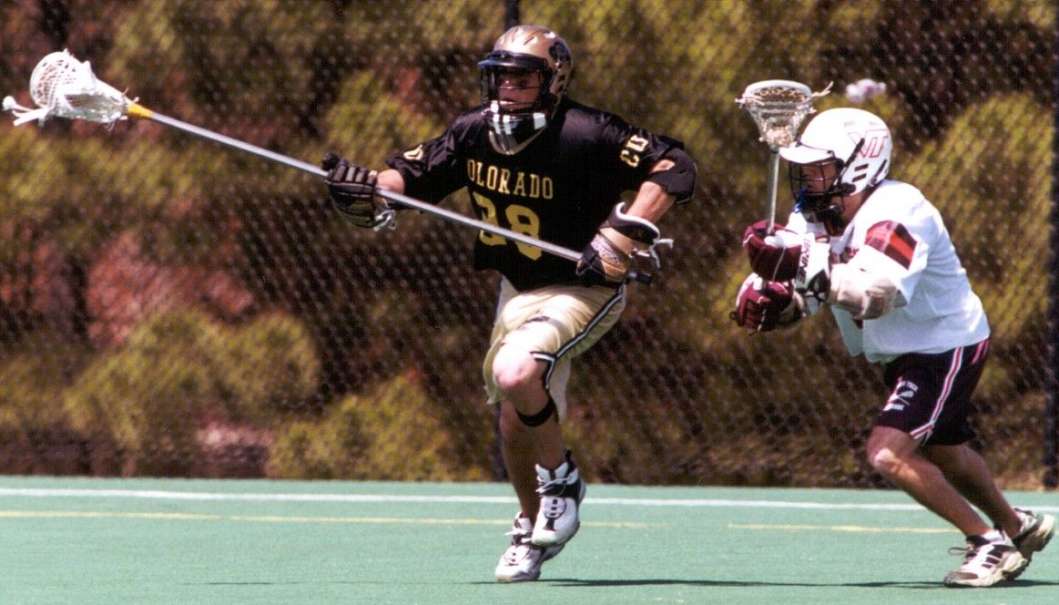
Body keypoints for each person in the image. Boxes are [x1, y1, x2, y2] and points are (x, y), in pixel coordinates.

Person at [322, 24, 696, 582]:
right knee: (515, 421)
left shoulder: (588, 132)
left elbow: (675, 164)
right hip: (517, 290)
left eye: (522, 80)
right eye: (499, 78)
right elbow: (413, 175)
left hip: (582, 285)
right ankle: (530, 523)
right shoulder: (473, 131)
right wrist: (371, 187)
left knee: (516, 372)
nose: (506, 90)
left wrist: (625, 233)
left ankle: (562, 482)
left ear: (553, 82)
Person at [732, 107, 1054, 588]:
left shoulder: (900, 211)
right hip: (901, 348)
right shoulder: (812, 214)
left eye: (821, 167)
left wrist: (800, 268)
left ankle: (988, 542)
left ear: (861, 163)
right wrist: (778, 301)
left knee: (888, 453)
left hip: (943, 342)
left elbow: (877, 293)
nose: (810, 177)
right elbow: (810, 290)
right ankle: (1018, 525)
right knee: (946, 451)